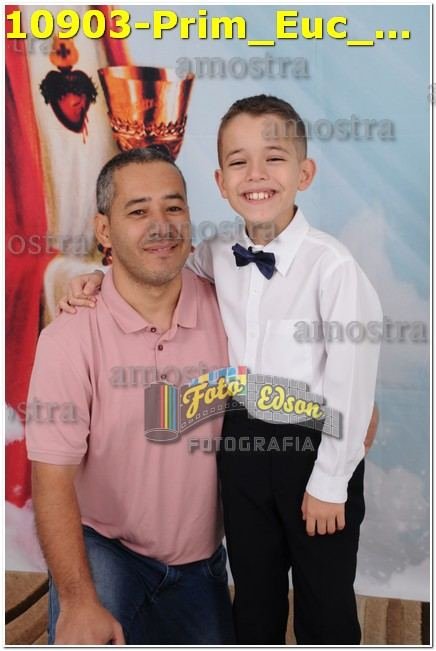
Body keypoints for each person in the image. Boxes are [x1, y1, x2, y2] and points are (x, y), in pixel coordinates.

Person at [59, 95, 382, 645]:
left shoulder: (333, 268)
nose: (256, 174)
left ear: (304, 173)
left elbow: (351, 386)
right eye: (238, 162)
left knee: (324, 595)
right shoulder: (214, 251)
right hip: (240, 443)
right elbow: (156, 269)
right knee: (253, 590)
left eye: (273, 158)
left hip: (314, 444)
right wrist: (98, 275)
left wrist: (331, 482)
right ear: (220, 181)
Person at [25, 147, 235, 645]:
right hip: (107, 552)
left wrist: (347, 408)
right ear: (104, 231)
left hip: (204, 563)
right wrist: (78, 601)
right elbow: (51, 479)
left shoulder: (231, 310)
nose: (161, 225)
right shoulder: (69, 338)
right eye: (138, 211)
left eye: (173, 207)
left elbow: (293, 375)